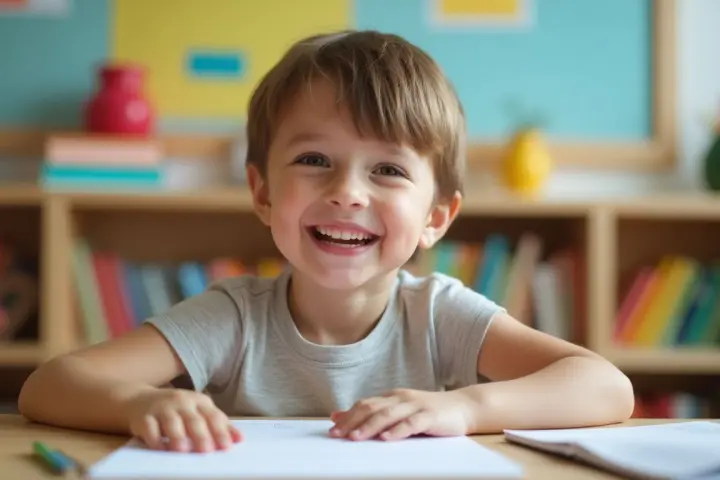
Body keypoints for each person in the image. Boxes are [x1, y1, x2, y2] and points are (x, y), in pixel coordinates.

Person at [18, 29, 634, 454]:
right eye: (314, 159)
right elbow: (48, 385)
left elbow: (606, 387)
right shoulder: (232, 317)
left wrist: (467, 409)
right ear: (261, 193)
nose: (347, 193)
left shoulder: (440, 313)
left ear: (436, 218)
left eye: (387, 170)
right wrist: (135, 406)